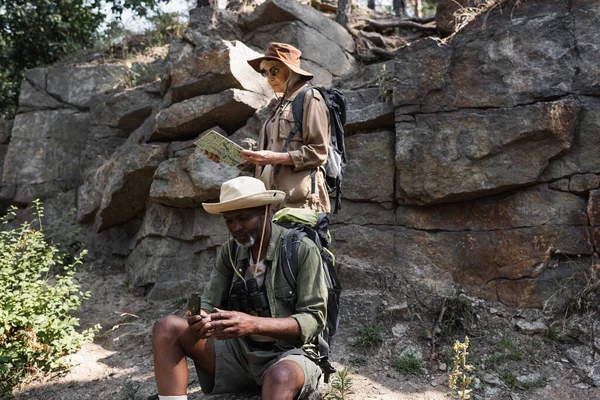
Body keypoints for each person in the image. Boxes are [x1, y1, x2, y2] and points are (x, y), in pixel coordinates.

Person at [151, 176, 328, 400]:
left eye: (244, 218)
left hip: (289, 355)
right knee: (167, 327)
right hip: (240, 354)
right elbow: (208, 302)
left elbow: (313, 319)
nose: (236, 228)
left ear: (266, 211)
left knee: (280, 377)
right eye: (229, 221)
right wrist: (200, 319)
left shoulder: (301, 249)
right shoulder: (231, 252)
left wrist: (252, 324)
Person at [206, 42, 331, 213]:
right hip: (270, 203)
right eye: (265, 72)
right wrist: (231, 156)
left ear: (291, 70)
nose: (269, 77)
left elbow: (319, 152)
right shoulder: (278, 107)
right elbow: (267, 162)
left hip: (299, 204)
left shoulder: (311, 98)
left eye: (274, 70)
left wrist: (273, 158)